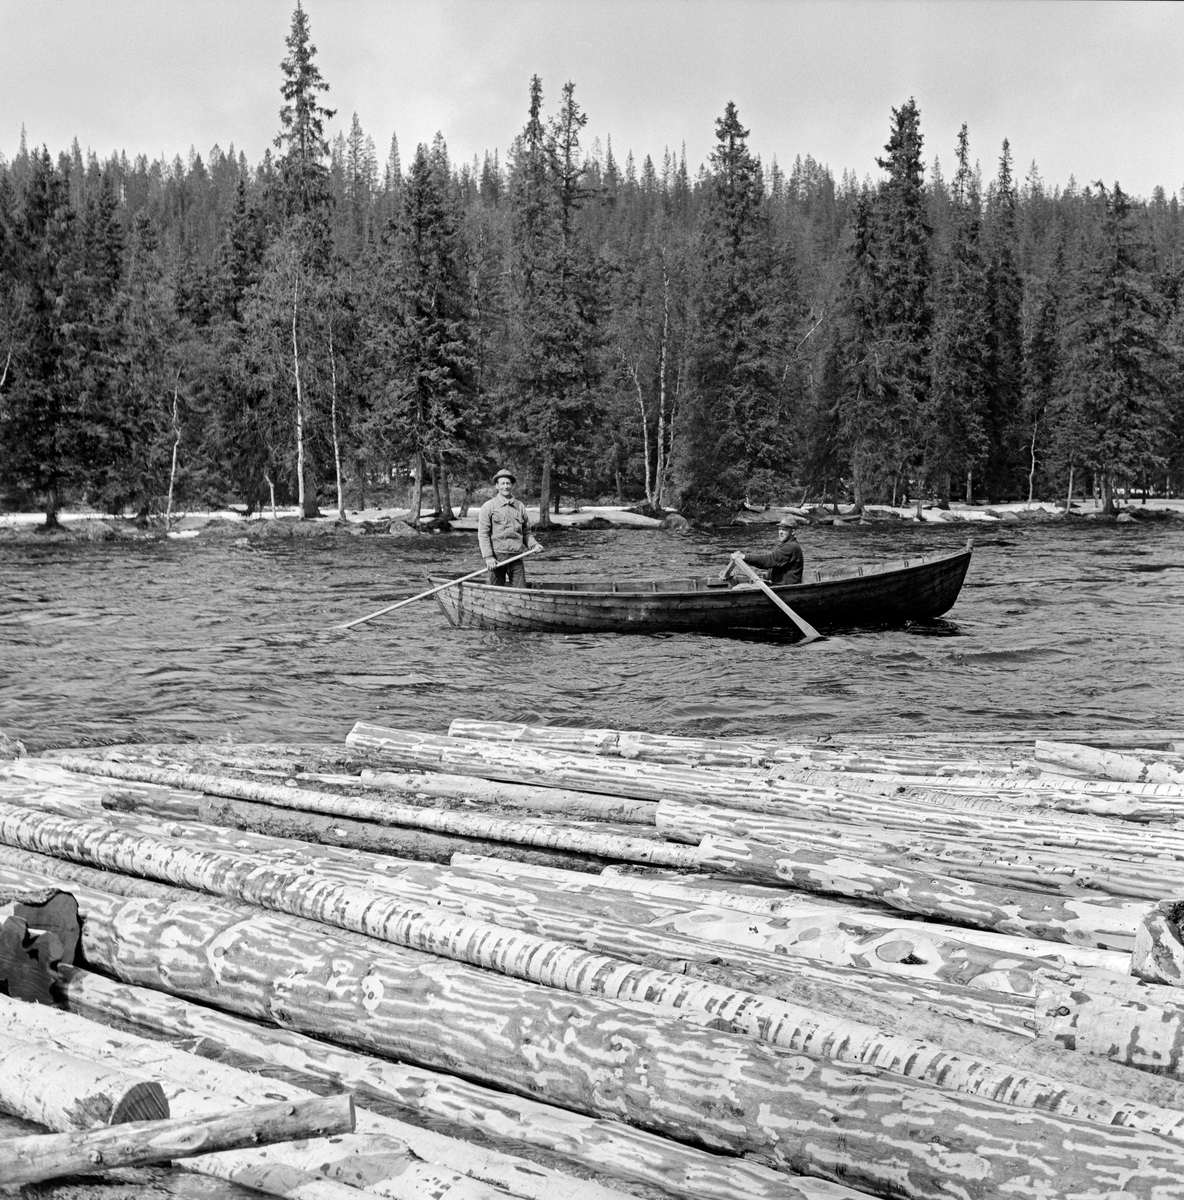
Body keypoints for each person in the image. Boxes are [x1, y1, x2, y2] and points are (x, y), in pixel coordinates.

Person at [477, 468, 543, 587]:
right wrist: (488, 557)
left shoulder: (520, 506)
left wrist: (534, 545)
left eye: (508, 483)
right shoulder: (488, 507)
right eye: (502, 483)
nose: (505, 486)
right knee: (495, 590)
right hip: (496, 557)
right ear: (497, 486)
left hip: (517, 556)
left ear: (511, 485)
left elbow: (526, 532)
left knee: (520, 591)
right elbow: (483, 534)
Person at [734, 516, 803, 585]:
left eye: (784, 529)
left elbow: (769, 560)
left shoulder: (791, 547)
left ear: (793, 532)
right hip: (778, 584)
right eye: (779, 529)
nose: (780, 532)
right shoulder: (786, 545)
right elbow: (767, 563)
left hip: (786, 587)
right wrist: (746, 558)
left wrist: (744, 557)